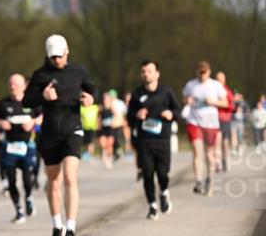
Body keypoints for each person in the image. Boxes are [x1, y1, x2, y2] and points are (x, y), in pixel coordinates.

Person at [25, 34, 97, 236]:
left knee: (69, 177)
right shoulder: (41, 75)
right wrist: (42, 97)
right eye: (53, 57)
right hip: (49, 133)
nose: (57, 61)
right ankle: (58, 226)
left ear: (68, 51)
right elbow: (27, 101)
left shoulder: (79, 71)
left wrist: (91, 99)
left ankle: (72, 228)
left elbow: (93, 90)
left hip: (72, 129)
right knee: (54, 181)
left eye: (60, 56)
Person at [128, 60, 180, 220]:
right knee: (148, 174)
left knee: (163, 174)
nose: (146, 74)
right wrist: (137, 115)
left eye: (149, 71)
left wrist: (171, 115)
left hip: (163, 140)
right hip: (145, 141)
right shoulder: (137, 94)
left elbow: (177, 110)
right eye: (143, 71)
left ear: (157, 73)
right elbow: (129, 117)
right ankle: (152, 206)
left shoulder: (166, 92)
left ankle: (164, 192)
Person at [0, 74, 42, 223]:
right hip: (10, 146)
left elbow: (43, 116)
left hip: (27, 146)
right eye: (10, 83)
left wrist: (33, 122)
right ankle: (19, 210)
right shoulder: (3, 104)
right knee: (11, 180)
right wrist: (0, 124)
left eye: (16, 84)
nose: (12, 86)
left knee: (27, 178)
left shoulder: (32, 103)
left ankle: (28, 197)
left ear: (24, 85)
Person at [182, 61, 229, 195]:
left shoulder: (215, 85)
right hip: (194, 121)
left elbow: (225, 103)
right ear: (196, 72)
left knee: (209, 153)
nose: (202, 76)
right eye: (200, 73)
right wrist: (188, 101)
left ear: (209, 72)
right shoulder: (191, 85)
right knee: (197, 151)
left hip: (210, 122)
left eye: (204, 73)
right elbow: (184, 98)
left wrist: (213, 102)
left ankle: (209, 178)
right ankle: (198, 181)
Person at [214, 71, 236, 172]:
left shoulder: (227, 91)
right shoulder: (212, 90)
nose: (219, 81)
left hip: (225, 119)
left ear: (224, 80)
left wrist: (222, 104)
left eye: (221, 79)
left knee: (225, 141)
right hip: (214, 119)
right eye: (218, 79)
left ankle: (224, 159)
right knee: (217, 140)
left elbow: (232, 106)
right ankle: (217, 162)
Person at [98, 92, 117, 169]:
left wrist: (114, 122)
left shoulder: (112, 108)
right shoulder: (101, 108)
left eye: (107, 98)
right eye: (104, 98)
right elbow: (98, 118)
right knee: (103, 144)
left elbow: (116, 117)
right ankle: (104, 154)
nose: (105, 100)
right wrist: (98, 125)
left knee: (109, 145)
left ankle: (109, 158)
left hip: (110, 129)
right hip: (103, 129)